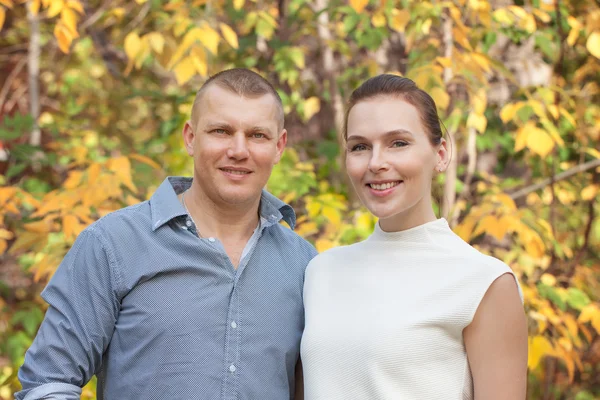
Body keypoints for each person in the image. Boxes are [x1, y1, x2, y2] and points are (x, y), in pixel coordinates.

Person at [17, 68, 317, 400]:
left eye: (258, 135)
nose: (238, 150)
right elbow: (48, 383)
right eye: (221, 131)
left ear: (279, 146)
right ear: (190, 138)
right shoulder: (114, 244)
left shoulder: (305, 265)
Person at [300, 74, 528, 399]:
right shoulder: (320, 271)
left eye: (398, 143)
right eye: (360, 146)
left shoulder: (484, 282)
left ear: (441, 154)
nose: (377, 163)